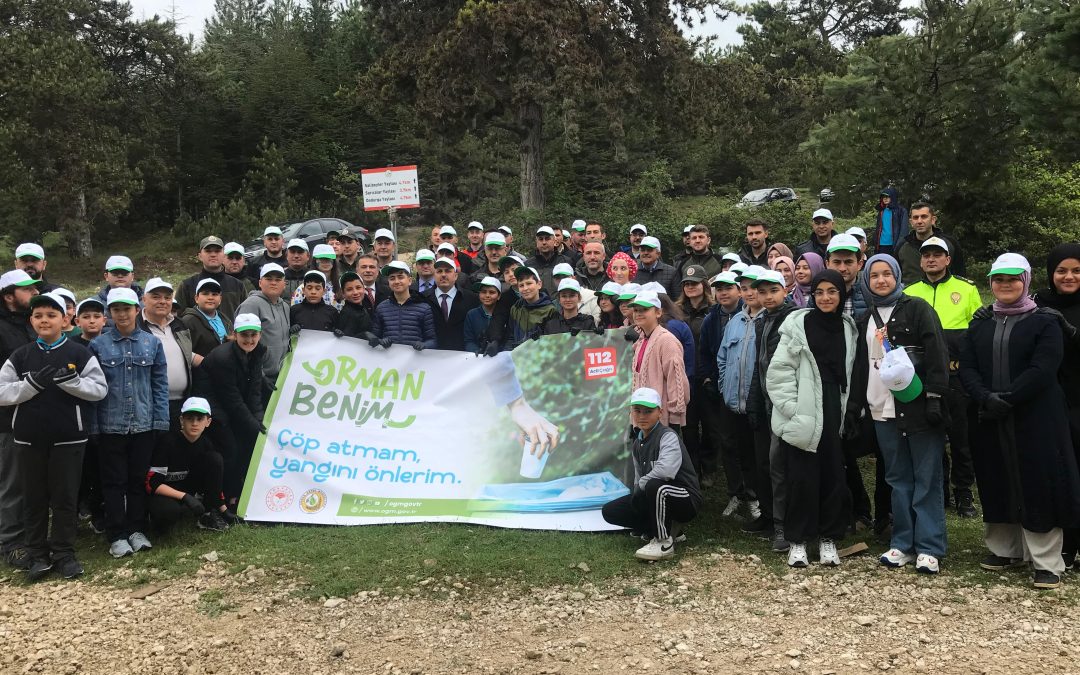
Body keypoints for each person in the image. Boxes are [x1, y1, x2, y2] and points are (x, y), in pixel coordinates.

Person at [960, 253, 1080, 589]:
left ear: (1025, 281)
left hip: (1036, 415)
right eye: (999, 279)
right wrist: (986, 397)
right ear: (991, 284)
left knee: (1039, 481)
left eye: (1013, 279)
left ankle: (1046, 562)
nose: (1006, 285)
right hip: (991, 415)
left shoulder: (1044, 321)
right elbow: (966, 365)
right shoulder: (981, 322)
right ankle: (1005, 549)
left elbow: (1044, 369)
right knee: (996, 478)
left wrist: (1008, 399)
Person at [851, 253, 949, 575]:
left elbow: (937, 353)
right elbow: (863, 364)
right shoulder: (866, 317)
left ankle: (930, 546)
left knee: (926, 477)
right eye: (874, 275)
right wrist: (858, 406)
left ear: (896, 276)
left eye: (886, 274)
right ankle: (903, 542)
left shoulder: (918, 308)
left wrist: (935, 396)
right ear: (867, 280)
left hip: (918, 406)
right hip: (882, 409)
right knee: (897, 478)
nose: (881, 280)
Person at [0, 291, 107, 580]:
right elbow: (2, 392)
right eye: (38, 316)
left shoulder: (79, 353)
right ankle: (37, 554)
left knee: (65, 498)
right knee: (33, 498)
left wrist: (72, 383)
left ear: (65, 319)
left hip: (69, 438)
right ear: (31, 321)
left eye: (51, 315)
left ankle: (64, 553)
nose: (44, 320)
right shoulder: (21, 355)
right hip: (28, 439)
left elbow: (99, 389)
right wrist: (28, 387)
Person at [766, 270, 856, 568]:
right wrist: (793, 410)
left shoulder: (847, 327)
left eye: (832, 291)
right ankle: (798, 541)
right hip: (804, 411)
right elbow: (778, 373)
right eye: (819, 292)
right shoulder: (798, 325)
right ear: (811, 295)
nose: (826, 298)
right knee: (801, 478)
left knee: (833, 476)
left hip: (834, 409)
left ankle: (829, 538)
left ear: (842, 294)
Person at [903, 237, 981, 517]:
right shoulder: (909, 292)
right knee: (932, 435)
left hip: (956, 374)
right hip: (924, 376)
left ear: (948, 259)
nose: (931, 260)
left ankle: (963, 492)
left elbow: (977, 332)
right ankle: (941, 491)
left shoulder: (966, 288)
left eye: (938, 255)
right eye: (926, 255)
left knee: (960, 436)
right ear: (921, 260)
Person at [90, 287, 169, 559]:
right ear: (109, 313)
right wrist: (94, 427)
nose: (122, 314)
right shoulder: (98, 345)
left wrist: (161, 420)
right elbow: (93, 390)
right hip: (110, 425)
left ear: (137, 309)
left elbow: (160, 384)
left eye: (127, 308)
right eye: (116, 310)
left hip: (144, 424)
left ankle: (136, 529)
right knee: (113, 482)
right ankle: (116, 534)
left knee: (137, 480)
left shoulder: (152, 343)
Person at [601, 387, 702, 560]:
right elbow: (639, 478)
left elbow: (665, 471)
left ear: (660, 413)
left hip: (685, 498)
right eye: (637, 411)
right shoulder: (637, 444)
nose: (642, 416)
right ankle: (664, 530)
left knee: (654, 484)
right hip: (656, 493)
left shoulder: (667, 436)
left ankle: (663, 542)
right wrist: (637, 498)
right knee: (610, 511)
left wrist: (640, 490)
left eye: (648, 411)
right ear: (631, 412)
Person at [1033, 244, 1080, 570]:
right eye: (1062, 270)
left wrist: (1071, 332)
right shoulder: (1039, 303)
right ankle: (1064, 544)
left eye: (1076, 270)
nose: (1069, 276)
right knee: (1061, 474)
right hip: (1052, 403)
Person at [747, 269, 799, 553]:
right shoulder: (761, 321)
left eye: (772, 291)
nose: (767, 297)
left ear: (784, 290)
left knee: (781, 467)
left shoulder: (795, 318)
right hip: (765, 403)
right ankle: (770, 517)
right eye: (762, 292)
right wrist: (755, 401)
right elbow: (759, 366)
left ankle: (784, 524)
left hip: (787, 404)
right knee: (765, 465)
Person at [197, 313, 269, 512]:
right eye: (244, 335)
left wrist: (259, 420)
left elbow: (254, 392)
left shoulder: (258, 351)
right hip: (214, 407)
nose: (249, 339)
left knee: (247, 446)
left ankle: (239, 494)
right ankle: (224, 498)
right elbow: (232, 401)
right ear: (235, 335)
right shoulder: (223, 357)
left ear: (260, 335)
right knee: (230, 450)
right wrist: (255, 426)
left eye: (253, 335)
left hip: (232, 404)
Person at [146, 397, 232, 533]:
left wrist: (224, 509)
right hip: (164, 494)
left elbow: (214, 480)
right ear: (181, 420)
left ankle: (208, 515)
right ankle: (154, 519)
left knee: (215, 459)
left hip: (188, 491)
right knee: (168, 513)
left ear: (208, 422)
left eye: (199, 419)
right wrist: (185, 497)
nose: (194, 423)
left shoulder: (206, 443)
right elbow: (152, 483)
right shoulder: (167, 442)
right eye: (189, 418)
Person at [708, 271, 756, 516]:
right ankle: (736, 494)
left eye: (751, 288)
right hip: (730, 398)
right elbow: (722, 358)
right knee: (728, 446)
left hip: (755, 400)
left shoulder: (769, 320)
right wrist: (723, 385)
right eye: (745, 288)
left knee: (753, 449)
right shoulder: (735, 321)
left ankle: (755, 497)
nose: (749, 293)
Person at [0, 270, 38, 570]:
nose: (34, 292)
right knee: (12, 482)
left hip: (37, 416)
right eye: (27, 290)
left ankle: (33, 538)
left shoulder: (32, 324)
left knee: (33, 481)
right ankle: (11, 542)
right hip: (7, 419)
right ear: (9, 295)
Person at [629, 291, 690, 433]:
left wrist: (675, 418)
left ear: (658, 313)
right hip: (642, 420)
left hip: (662, 422)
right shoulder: (641, 340)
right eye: (636, 310)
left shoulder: (667, 341)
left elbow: (677, 382)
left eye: (644, 309)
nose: (638, 313)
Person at [676, 265, 716, 477]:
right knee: (689, 427)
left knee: (710, 427)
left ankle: (709, 467)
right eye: (686, 284)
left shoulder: (713, 310)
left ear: (704, 285)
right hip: (685, 377)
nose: (690, 287)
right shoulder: (677, 311)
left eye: (694, 283)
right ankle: (693, 467)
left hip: (706, 376)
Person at [138, 278, 195, 426]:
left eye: (167, 297)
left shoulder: (179, 324)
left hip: (182, 403)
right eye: (156, 296)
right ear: (144, 299)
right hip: (150, 405)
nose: (163, 301)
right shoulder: (136, 327)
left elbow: (187, 354)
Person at [236, 263, 291, 383]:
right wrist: (259, 375)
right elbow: (241, 344)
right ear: (260, 283)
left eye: (278, 279)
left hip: (280, 376)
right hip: (257, 377)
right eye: (269, 279)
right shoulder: (251, 304)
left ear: (284, 284)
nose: (273, 282)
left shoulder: (285, 307)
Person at [174, 236, 249, 320]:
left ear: (224, 255)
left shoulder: (237, 285)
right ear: (200, 256)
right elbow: (177, 317)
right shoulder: (187, 285)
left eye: (217, 251)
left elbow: (246, 317)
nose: (213, 254)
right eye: (208, 251)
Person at [372, 261, 437, 350]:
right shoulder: (381, 308)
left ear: (409, 280)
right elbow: (375, 338)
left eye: (400, 277)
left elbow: (432, 340)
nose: (396, 281)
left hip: (415, 361)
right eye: (392, 278)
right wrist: (381, 341)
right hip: (387, 361)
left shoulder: (424, 308)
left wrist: (424, 345)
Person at [894, 202, 964, 282]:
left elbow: (960, 275)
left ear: (933, 220)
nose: (919, 221)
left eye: (924, 217)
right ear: (911, 222)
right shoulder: (902, 246)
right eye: (916, 218)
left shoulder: (950, 243)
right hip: (910, 293)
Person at [424, 257, 479, 351]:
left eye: (448, 271)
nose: (443, 275)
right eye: (439, 271)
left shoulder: (471, 299)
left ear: (456, 276)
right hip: (431, 357)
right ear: (434, 275)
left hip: (463, 357)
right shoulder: (423, 298)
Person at [498, 266, 558, 350]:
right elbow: (510, 337)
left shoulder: (550, 310)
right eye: (521, 285)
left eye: (529, 283)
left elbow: (553, 342)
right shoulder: (515, 309)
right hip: (517, 357)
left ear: (539, 284)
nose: (525, 288)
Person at [180, 278, 234, 359]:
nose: (210, 297)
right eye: (205, 294)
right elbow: (183, 352)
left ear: (220, 299)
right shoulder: (188, 321)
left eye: (215, 294)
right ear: (196, 298)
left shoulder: (225, 319)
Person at [525, 226, 571, 296]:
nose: (544, 242)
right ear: (536, 242)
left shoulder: (566, 261)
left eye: (547, 239)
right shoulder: (528, 265)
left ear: (554, 241)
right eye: (540, 239)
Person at [464, 277, 501, 353]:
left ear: (499, 296)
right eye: (483, 292)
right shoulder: (471, 314)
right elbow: (469, 340)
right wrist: (475, 350)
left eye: (491, 292)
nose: (487, 295)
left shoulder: (506, 314)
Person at [871, 188, 908, 257]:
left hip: (894, 245)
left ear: (892, 197)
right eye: (883, 197)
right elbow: (878, 229)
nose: (885, 199)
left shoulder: (901, 211)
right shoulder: (881, 211)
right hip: (881, 245)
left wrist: (899, 244)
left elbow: (904, 230)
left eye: (887, 196)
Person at [336, 272, 374, 338]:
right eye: (349, 289)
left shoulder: (364, 307)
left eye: (358, 287)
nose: (355, 292)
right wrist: (365, 335)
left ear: (364, 289)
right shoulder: (346, 313)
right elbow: (347, 340)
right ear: (343, 293)